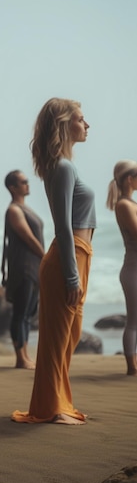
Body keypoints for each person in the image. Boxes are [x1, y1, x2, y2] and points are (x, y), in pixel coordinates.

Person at [12, 97, 95, 425]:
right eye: (80, 118)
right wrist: (72, 277)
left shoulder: (65, 165)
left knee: (70, 337)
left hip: (78, 256)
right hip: (67, 258)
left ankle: (57, 402)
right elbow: (61, 224)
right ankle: (51, 409)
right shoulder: (61, 166)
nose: (86, 124)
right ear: (64, 124)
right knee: (56, 341)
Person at [1, 170, 45, 369]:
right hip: (23, 268)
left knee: (28, 313)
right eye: (23, 182)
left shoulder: (24, 208)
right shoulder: (14, 210)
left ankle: (26, 355)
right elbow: (28, 238)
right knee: (20, 312)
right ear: (13, 187)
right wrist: (46, 257)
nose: (28, 184)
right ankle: (20, 357)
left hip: (33, 268)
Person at [106, 160, 137, 375]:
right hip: (133, 270)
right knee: (133, 320)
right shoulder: (124, 205)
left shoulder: (132, 204)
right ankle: (131, 367)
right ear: (129, 179)